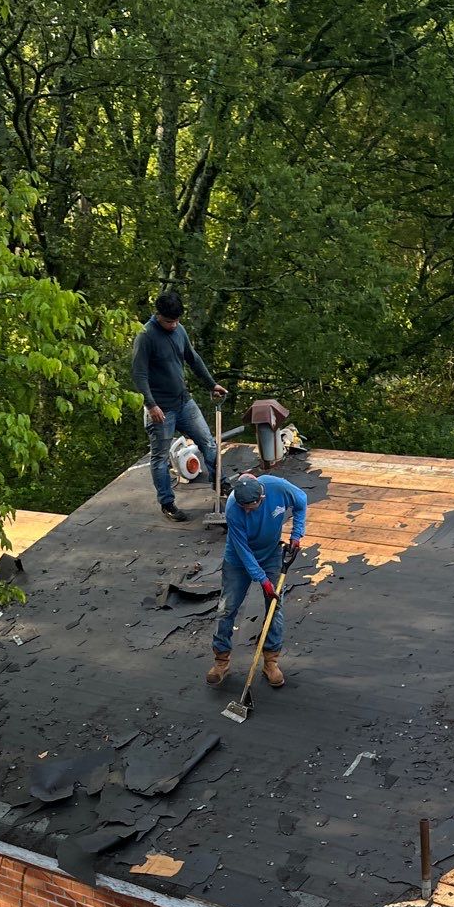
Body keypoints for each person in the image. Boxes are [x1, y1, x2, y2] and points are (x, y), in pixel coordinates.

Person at [131, 292, 227, 522]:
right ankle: (168, 503)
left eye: (176, 321)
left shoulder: (179, 330)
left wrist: (211, 385)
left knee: (208, 442)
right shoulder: (146, 336)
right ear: (157, 315)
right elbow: (139, 374)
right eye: (168, 322)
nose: (173, 326)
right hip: (160, 409)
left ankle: (221, 484)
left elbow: (192, 359)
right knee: (160, 457)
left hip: (184, 402)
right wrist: (151, 404)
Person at [208, 472, 308, 688]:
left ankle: (271, 662)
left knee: (274, 606)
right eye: (243, 506)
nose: (246, 510)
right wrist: (262, 580)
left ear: (261, 498)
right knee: (227, 609)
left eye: (250, 507)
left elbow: (302, 502)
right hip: (238, 560)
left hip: (271, 554)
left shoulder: (278, 486)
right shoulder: (234, 507)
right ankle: (221, 661)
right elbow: (242, 551)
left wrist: (297, 535)